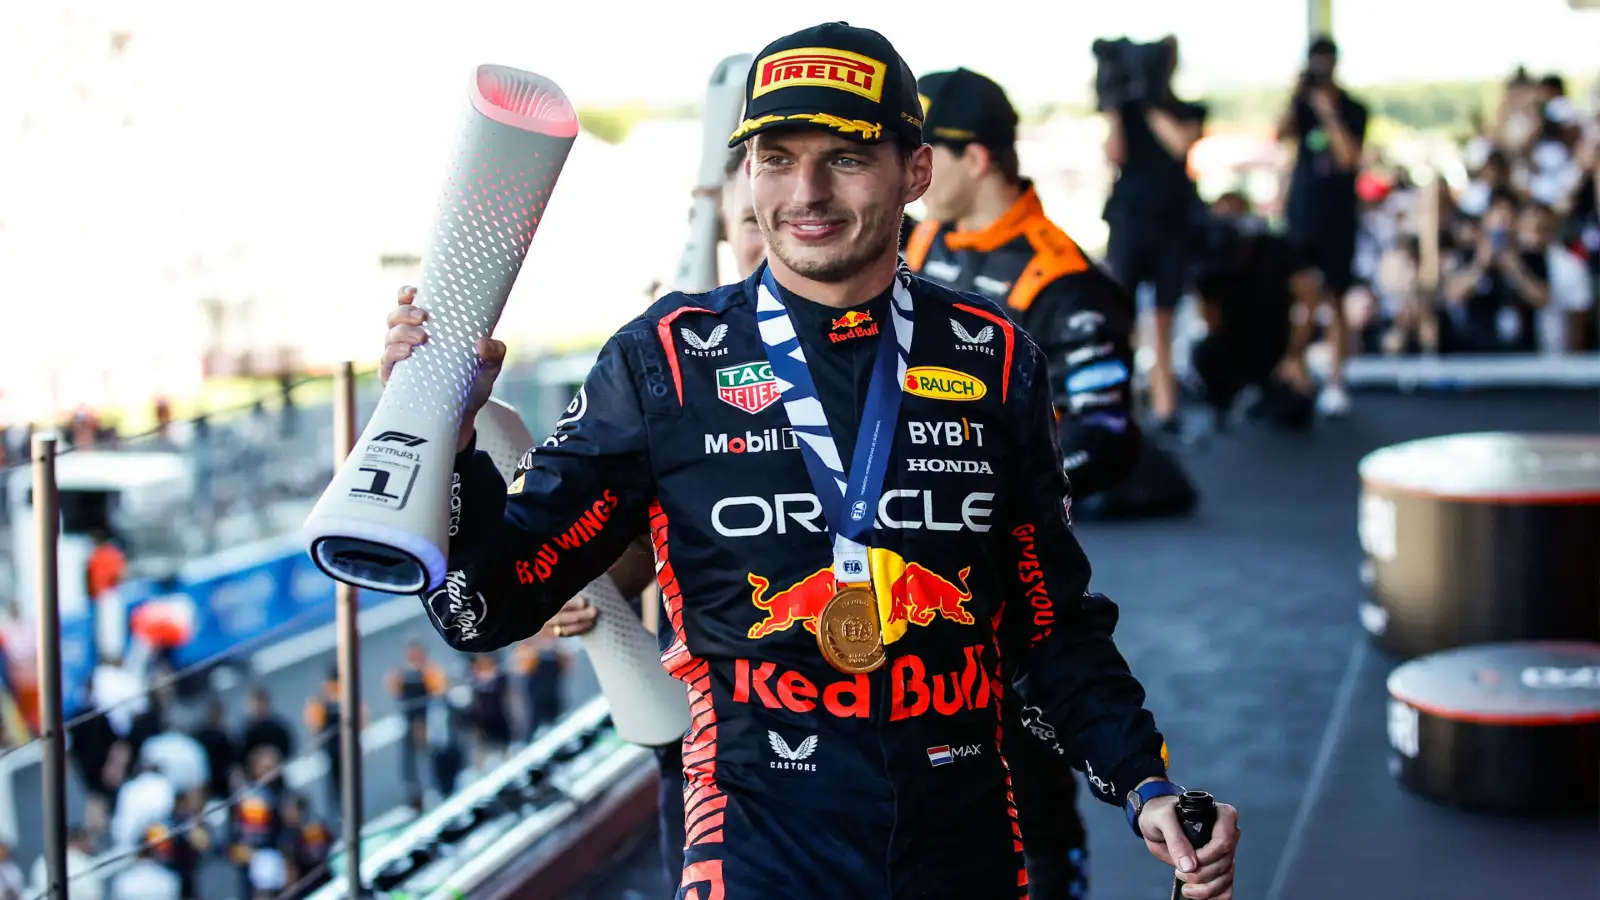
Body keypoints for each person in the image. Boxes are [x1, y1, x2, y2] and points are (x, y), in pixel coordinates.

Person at [387, 22, 1238, 900]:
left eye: (846, 157)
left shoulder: (996, 356)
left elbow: (1047, 623)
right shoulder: (664, 362)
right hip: (758, 848)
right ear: (746, 173)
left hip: (966, 844)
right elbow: (482, 606)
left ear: (916, 172)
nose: (807, 192)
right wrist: (444, 446)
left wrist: (1146, 786)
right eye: (777, 156)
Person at [535, 137, 773, 888]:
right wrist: (579, 584)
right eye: (749, 222)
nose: (769, 239)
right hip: (708, 746)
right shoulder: (673, 368)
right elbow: (631, 551)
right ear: (728, 232)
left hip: (893, 746)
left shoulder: (919, 361)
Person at [1101, 35, 1206, 432]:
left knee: (1163, 319)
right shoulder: (1125, 110)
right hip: (1130, 221)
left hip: (1171, 225)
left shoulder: (1185, 111)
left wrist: (1146, 103)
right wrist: (1115, 104)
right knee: (1121, 318)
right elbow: (1114, 154)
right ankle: (1123, 406)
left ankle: (1166, 407)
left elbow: (1180, 145)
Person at [1276, 35, 1369, 416]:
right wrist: (1296, 95)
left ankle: (1336, 380)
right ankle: (1292, 370)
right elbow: (1280, 134)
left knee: (1336, 295)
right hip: (1302, 213)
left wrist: (1329, 113)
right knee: (1298, 294)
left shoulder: (1353, 108)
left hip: (1337, 214)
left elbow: (1350, 158)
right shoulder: (1301, 105)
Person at [386, 639, 446, 792]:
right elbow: (394, 689)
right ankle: (414, 788)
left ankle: (435, 786)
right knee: (409, 758)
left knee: (430, 754)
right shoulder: (401, 673)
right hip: (409, 721)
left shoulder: (429, 671)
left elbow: (439, 689)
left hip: (427, 721)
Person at [28, 827, 104, 900]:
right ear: (78, 841)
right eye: (90, 842)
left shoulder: (42, 860)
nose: (92, 847)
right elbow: (91, 895)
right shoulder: (80, 862)